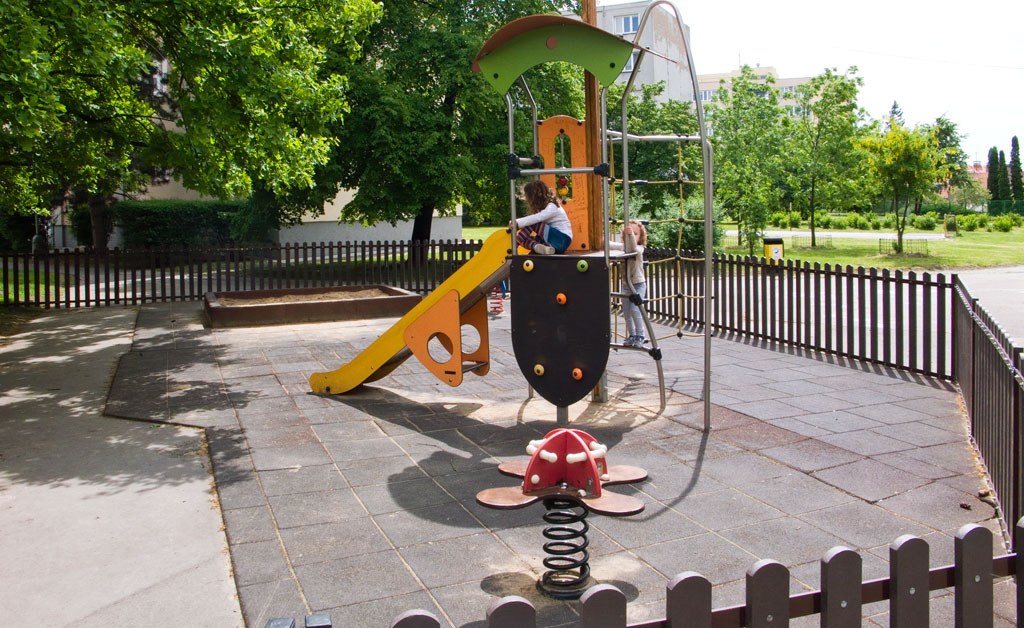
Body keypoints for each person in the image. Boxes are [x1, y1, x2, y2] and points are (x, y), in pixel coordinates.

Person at [608, 220, 648, 347]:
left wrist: (630, 235)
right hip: (626, 285)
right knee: (626, 311)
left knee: (635, 309)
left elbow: (633, 249)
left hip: (638, 284)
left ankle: (640, 335)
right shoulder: (623, 248)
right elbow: (610, 245)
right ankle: (632, 335)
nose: (632, 236)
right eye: (630, 233)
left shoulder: (640, 248)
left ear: (641, 237)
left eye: (635, 234)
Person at [510, 180, 573, 255]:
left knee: (533, 223)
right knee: (524, 239)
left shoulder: (552, 206)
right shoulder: (543, 208)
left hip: (562, 239)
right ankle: (538, 247)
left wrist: (517, 222)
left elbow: (538, 218)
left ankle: (514, 245)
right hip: (553, 244)